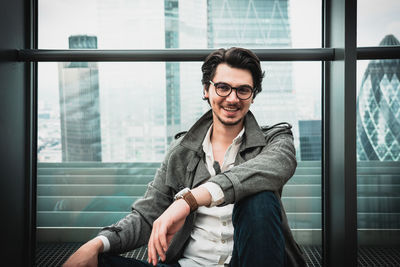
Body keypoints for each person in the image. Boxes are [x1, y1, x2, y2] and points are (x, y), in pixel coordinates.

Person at [63, 47, 306, 267]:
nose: (232, 98)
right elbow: (148, 215)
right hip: (190, 264)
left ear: (253, 95)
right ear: (206, 89)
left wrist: (188, 201)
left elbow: (277, 165)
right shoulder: (182, 150)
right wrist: (96, 244)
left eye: (243, 90)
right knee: (96, 262)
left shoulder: (275, 139)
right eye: (223, 87)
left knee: (259, 197)